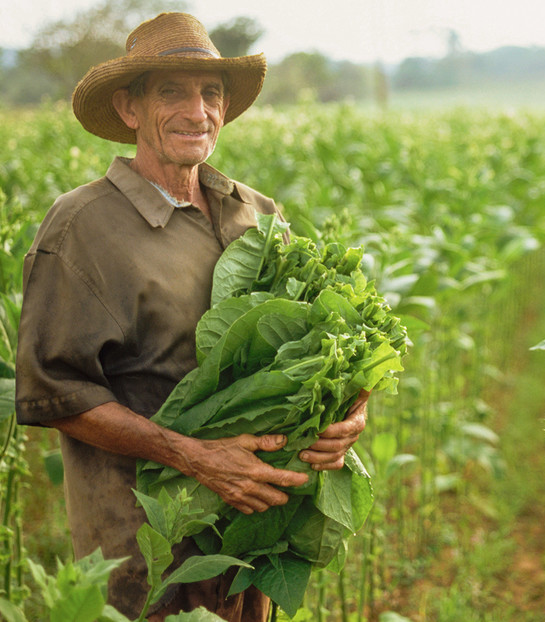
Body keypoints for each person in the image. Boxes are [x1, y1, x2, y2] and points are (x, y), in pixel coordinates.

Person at [15, 13, 368, 621]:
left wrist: (348, 412)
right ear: (129, 110)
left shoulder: (255, 213)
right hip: (144, 541)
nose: (196, 111)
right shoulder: (81, 228)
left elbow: (314, 342)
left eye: (211, 92)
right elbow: (54, 391)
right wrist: (194, 456)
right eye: (171, 91)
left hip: (252, 531)